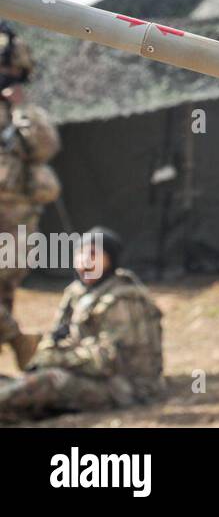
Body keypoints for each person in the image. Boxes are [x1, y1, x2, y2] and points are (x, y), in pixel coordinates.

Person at [0, 227, 164, 422]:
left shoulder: (122, 300)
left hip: (123, 387)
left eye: (94, 254)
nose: (85, 261)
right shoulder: (78, 292)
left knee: (48, 381)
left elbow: (110, 360)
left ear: (111, 260)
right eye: (80, 254)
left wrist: (57, 358)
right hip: (86, 376)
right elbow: (58, 336)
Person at [0, 23, 61, 371]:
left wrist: (20, 109)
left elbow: (44, 148)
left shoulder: (24, 111)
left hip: (16, 219)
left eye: (11, 72)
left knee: (4, 295)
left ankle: (20, 346)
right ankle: (21, 342)